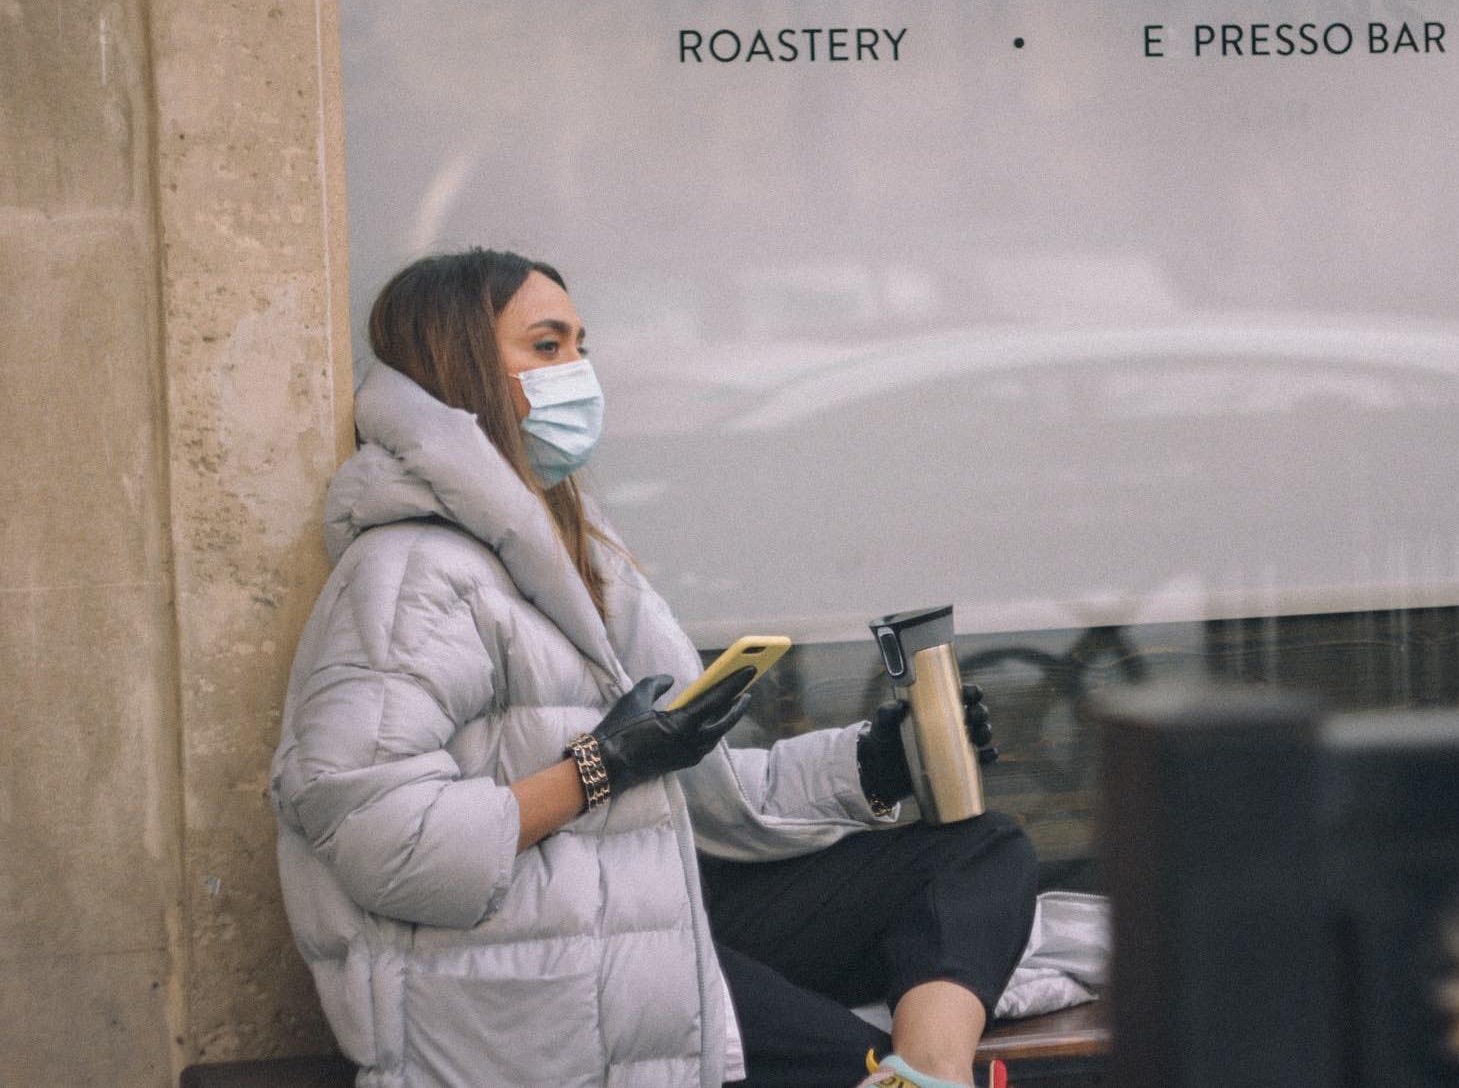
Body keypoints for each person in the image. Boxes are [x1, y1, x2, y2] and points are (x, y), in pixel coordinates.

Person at [271, 247, 1037, 1088]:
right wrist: (598, 768)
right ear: (463, 369)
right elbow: (381, 840)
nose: (580, 372)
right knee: (833, 1065)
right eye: (548, 346)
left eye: (581, 346)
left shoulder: (575, 555)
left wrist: (874, 762)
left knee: (975, 848)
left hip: (642, 908)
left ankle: (930, 1073)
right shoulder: (413, 573)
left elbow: (708, 796)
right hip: (530, 966)